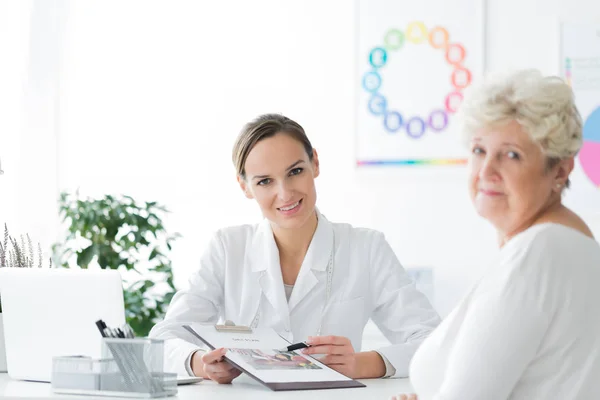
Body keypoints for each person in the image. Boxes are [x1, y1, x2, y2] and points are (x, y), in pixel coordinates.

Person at [149, 113, 440, 383]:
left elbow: (435, 343)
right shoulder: (227, 248)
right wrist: (201, 363)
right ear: (245, 186)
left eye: (295, 171)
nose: (285, 193)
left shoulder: (366, 248)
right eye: (264, 181)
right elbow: (162, 341)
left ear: (315, 163)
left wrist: (362, 364)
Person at [394, 70, 600, 400]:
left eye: (511, 154)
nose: (486, 170)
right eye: (479, 150)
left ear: (559, 170)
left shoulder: (539, 253)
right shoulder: (575, 246)